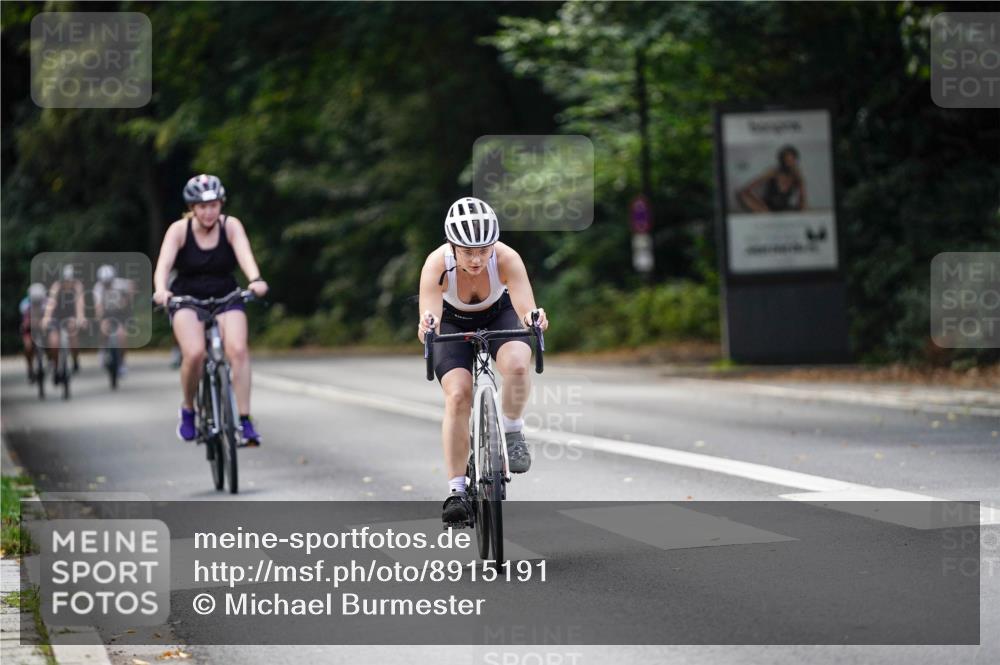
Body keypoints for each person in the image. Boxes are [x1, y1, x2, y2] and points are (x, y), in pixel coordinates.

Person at [417, 196, 549, 524]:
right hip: (452, 322)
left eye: (483, 250)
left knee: (519, 364)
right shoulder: (436, 264)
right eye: (467, 251)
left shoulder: (506, 258)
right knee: (458, 395)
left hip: (498, 315)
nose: (476, 259)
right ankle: (457, 491)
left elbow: (524, 309)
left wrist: (535, 319)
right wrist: (427, 327)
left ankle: (512, 429)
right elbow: (428, 322)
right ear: (452, 246)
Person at [152, 174, 269, 445]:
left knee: (238, 350)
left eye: (214, 205)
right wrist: (161, 290)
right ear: (192, 208)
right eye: (202, 207)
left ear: (221, 205)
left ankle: (245, 419)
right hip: (186, 298)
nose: (208, 212)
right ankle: (189, 410)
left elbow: (245, 256)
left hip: (226, 295)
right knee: (194, 353)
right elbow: (163, 267)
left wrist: (255, 280)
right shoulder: (179, 231)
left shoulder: (230, 227)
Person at [39, 264, 85, 379]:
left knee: (73, 332)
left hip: (70, 316)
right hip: (57, 316)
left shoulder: (77, 286)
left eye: (69, 280)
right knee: (54, 342)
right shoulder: (57, 286)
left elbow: (80, 303)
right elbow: (51, 303)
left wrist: (80, 317)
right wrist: (46, 317)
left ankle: (75, 360)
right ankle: (55, 366)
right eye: (65, 280)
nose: (67, 283)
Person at [93, 264, 136, 377]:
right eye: (105, 283)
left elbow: (131, 285)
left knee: (122, 336)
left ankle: (122, 363)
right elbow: (98, 305)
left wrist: (126, 301)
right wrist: (99, 315)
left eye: (109, 282)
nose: (107, 285)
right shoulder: (98, 287)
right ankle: (102, 350)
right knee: (103, 329)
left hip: (120, 313)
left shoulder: (120, 284)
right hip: (106, 312)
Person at [737, 145, 808, 213]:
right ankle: (765, 213)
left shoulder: (797, 176)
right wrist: (760, 204)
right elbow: (747, 189)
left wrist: (800, 180)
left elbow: (802, 199)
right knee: (742, 193)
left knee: (803, 208)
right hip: (767, 208)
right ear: (781, 160)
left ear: (795, 161)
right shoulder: (773, 172)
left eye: (791, 160)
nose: (789, 163)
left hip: (784, 209)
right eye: (786, 160)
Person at [19, 283, 48, 382]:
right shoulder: (25, 304)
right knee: (28, 346)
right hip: (30, 329)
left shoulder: (47, 303)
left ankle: (52, 362)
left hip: (44, 329)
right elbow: (25, 321)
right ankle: (30, 368)